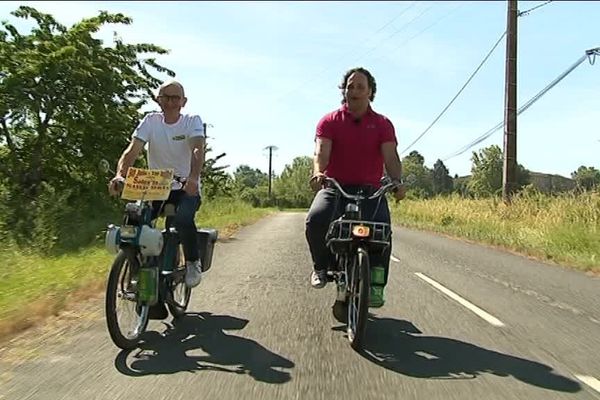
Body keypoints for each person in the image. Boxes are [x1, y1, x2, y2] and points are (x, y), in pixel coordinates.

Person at [305, 67, 405, 308]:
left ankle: (376, 286)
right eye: (350, 86)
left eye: (361, 87)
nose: (355, 91)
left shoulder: (382, 124)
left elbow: (391, 158)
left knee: (383, 233)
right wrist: (319, 172)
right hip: (335, 186)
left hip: (371, 190)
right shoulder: (329, 121)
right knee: (315, 220)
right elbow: (321, 151)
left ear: (370, 92)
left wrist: (397, 182)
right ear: (344, 91)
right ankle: (321, 266)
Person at [108, 80, 205, 289]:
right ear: (158, 100)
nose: (170, 103)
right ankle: (134, 270)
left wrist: (194, 178)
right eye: (165, 98)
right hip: (156, 188)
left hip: (184, 187)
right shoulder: (150, 121)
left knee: (182, 219)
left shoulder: (191, 121)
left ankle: (192, 262)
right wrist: (119, 175)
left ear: (183, 101)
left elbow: (197, 149)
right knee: (133, 221)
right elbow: (132, 151)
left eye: (175, 98)